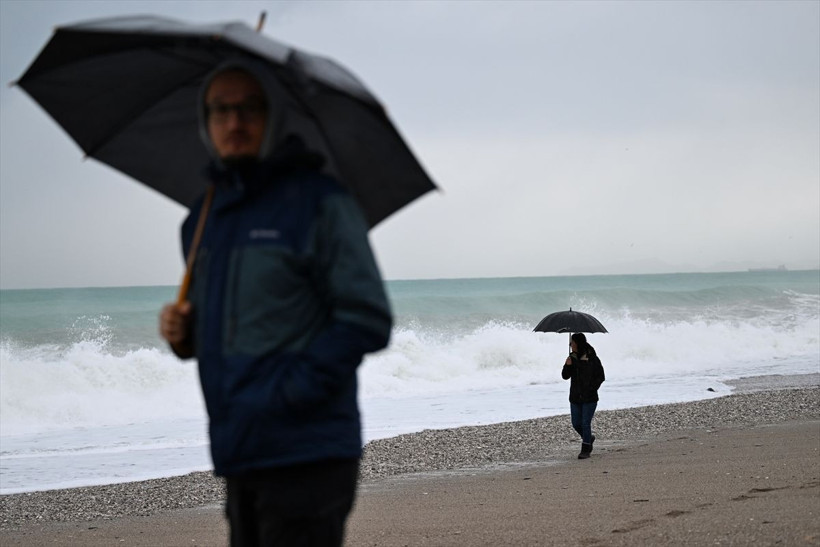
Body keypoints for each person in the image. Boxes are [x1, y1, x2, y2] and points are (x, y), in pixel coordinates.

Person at [159, 61, 393, 546]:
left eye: (250, 107)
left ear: (275, 117)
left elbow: (366, 318)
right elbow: (229, 331)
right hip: (238, 447)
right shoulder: (202, 219)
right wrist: (185, 335)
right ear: (205, 122)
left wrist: (286, 395)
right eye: (220, 109)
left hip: (307, 451)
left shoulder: (320, 203)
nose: (235, 122)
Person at [561, 332, 605, 460]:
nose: (570, 345)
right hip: (575, 397)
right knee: (576, 423)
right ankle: (589, 438)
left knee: (585, 423)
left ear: (578, 343)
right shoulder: (572, 358)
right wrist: (567, 365)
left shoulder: (592, 358)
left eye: (572, 342)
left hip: (589, 397)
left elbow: (601, 376)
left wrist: (592, 388)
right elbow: (565, 376)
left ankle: (586, 448)